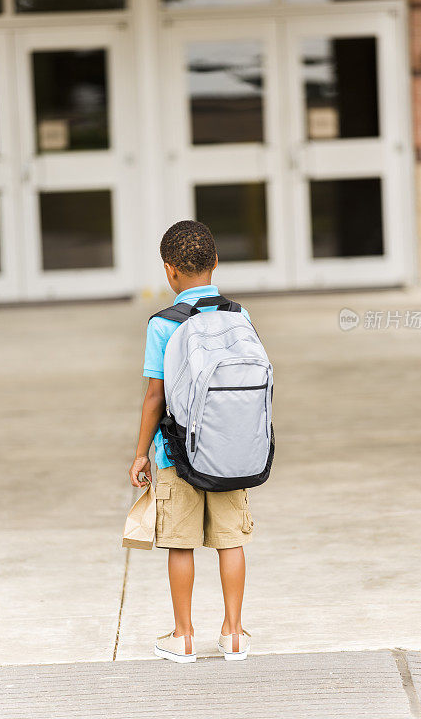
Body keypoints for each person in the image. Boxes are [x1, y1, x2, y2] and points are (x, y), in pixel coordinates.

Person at [129, 220, 254, 663]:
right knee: (229, 541)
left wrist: (141, 453)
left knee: (181, 544)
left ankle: (183, 636)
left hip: (175, 453)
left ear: (169, 271)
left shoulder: (163, 324)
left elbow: (154, 396)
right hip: (230, 448)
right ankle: (234, 633)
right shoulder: (238, 315)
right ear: (215, 264)